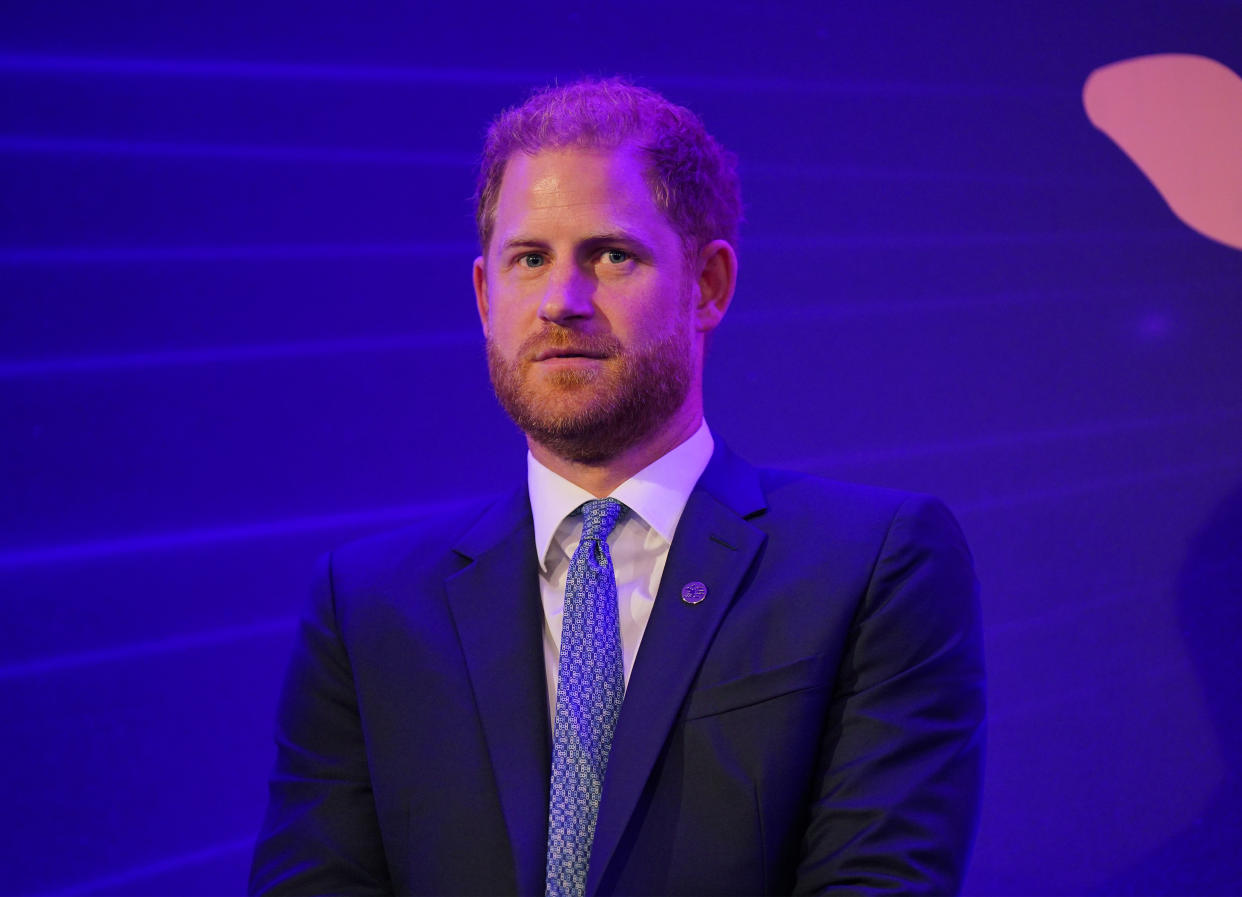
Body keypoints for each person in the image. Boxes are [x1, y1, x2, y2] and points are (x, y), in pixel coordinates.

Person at [249, 77, 985, 896]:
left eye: (611, 255)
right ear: (486, 296)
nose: (562, 301)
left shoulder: (871, 565)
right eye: (530, 259)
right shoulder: (370, 605)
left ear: (707, 285)